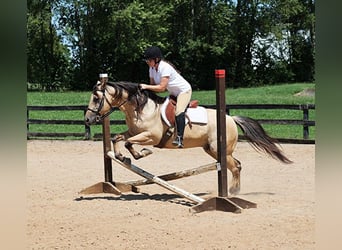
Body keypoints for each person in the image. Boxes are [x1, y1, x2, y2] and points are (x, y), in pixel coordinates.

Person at [139, 46, 192, 148]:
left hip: (184, 91)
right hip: (173, 93)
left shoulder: (165, 67)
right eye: (147, 60)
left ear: (156, 59)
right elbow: (153, 86)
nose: (147, 62)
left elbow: (162, 88)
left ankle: (180, 138)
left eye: (149, 60)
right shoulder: (152, 69)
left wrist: (145, 86)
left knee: (178, 111)